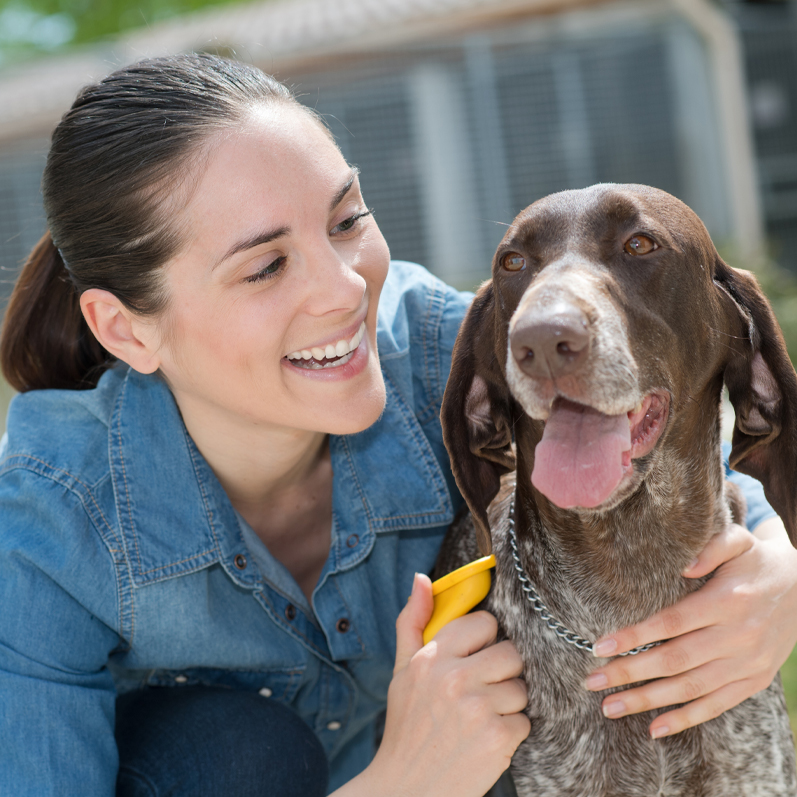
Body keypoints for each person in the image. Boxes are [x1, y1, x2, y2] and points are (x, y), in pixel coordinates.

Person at [0, 54, 795, 797]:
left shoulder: (454, 353)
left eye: (346, 220)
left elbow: (698, 443)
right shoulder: (49, 526)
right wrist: (402, 783)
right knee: (230, 747)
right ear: (127, 329)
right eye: (267, 266)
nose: (346, 289)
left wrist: (777, 574)